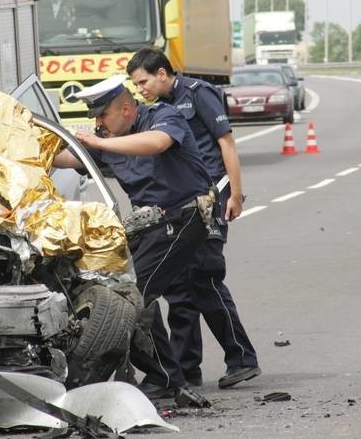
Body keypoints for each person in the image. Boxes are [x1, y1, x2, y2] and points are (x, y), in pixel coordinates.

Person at [53, 74, 211, 406]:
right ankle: (166, 376)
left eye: (103, 115)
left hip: (182, 217)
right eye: (94, 118)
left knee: (132, 298)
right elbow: (66, 159)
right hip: (149, 225)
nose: (98, 124)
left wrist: (97, 143)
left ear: (127, 108)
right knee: (127, 291)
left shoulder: (162, 116)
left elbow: (156, 143)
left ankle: (165, 378)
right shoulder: (108, 137)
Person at [126, 47, 260, 389]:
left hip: (210, 200)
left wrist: (236, 194)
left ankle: (242, 358)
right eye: (135, 84)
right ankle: (186, 368)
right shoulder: (160, 110)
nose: (140, 89)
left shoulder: (197, 94)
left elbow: (226, 143)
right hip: (183, 204)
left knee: (205, 278)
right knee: (179, 289)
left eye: (143, 81)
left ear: (161, 73)